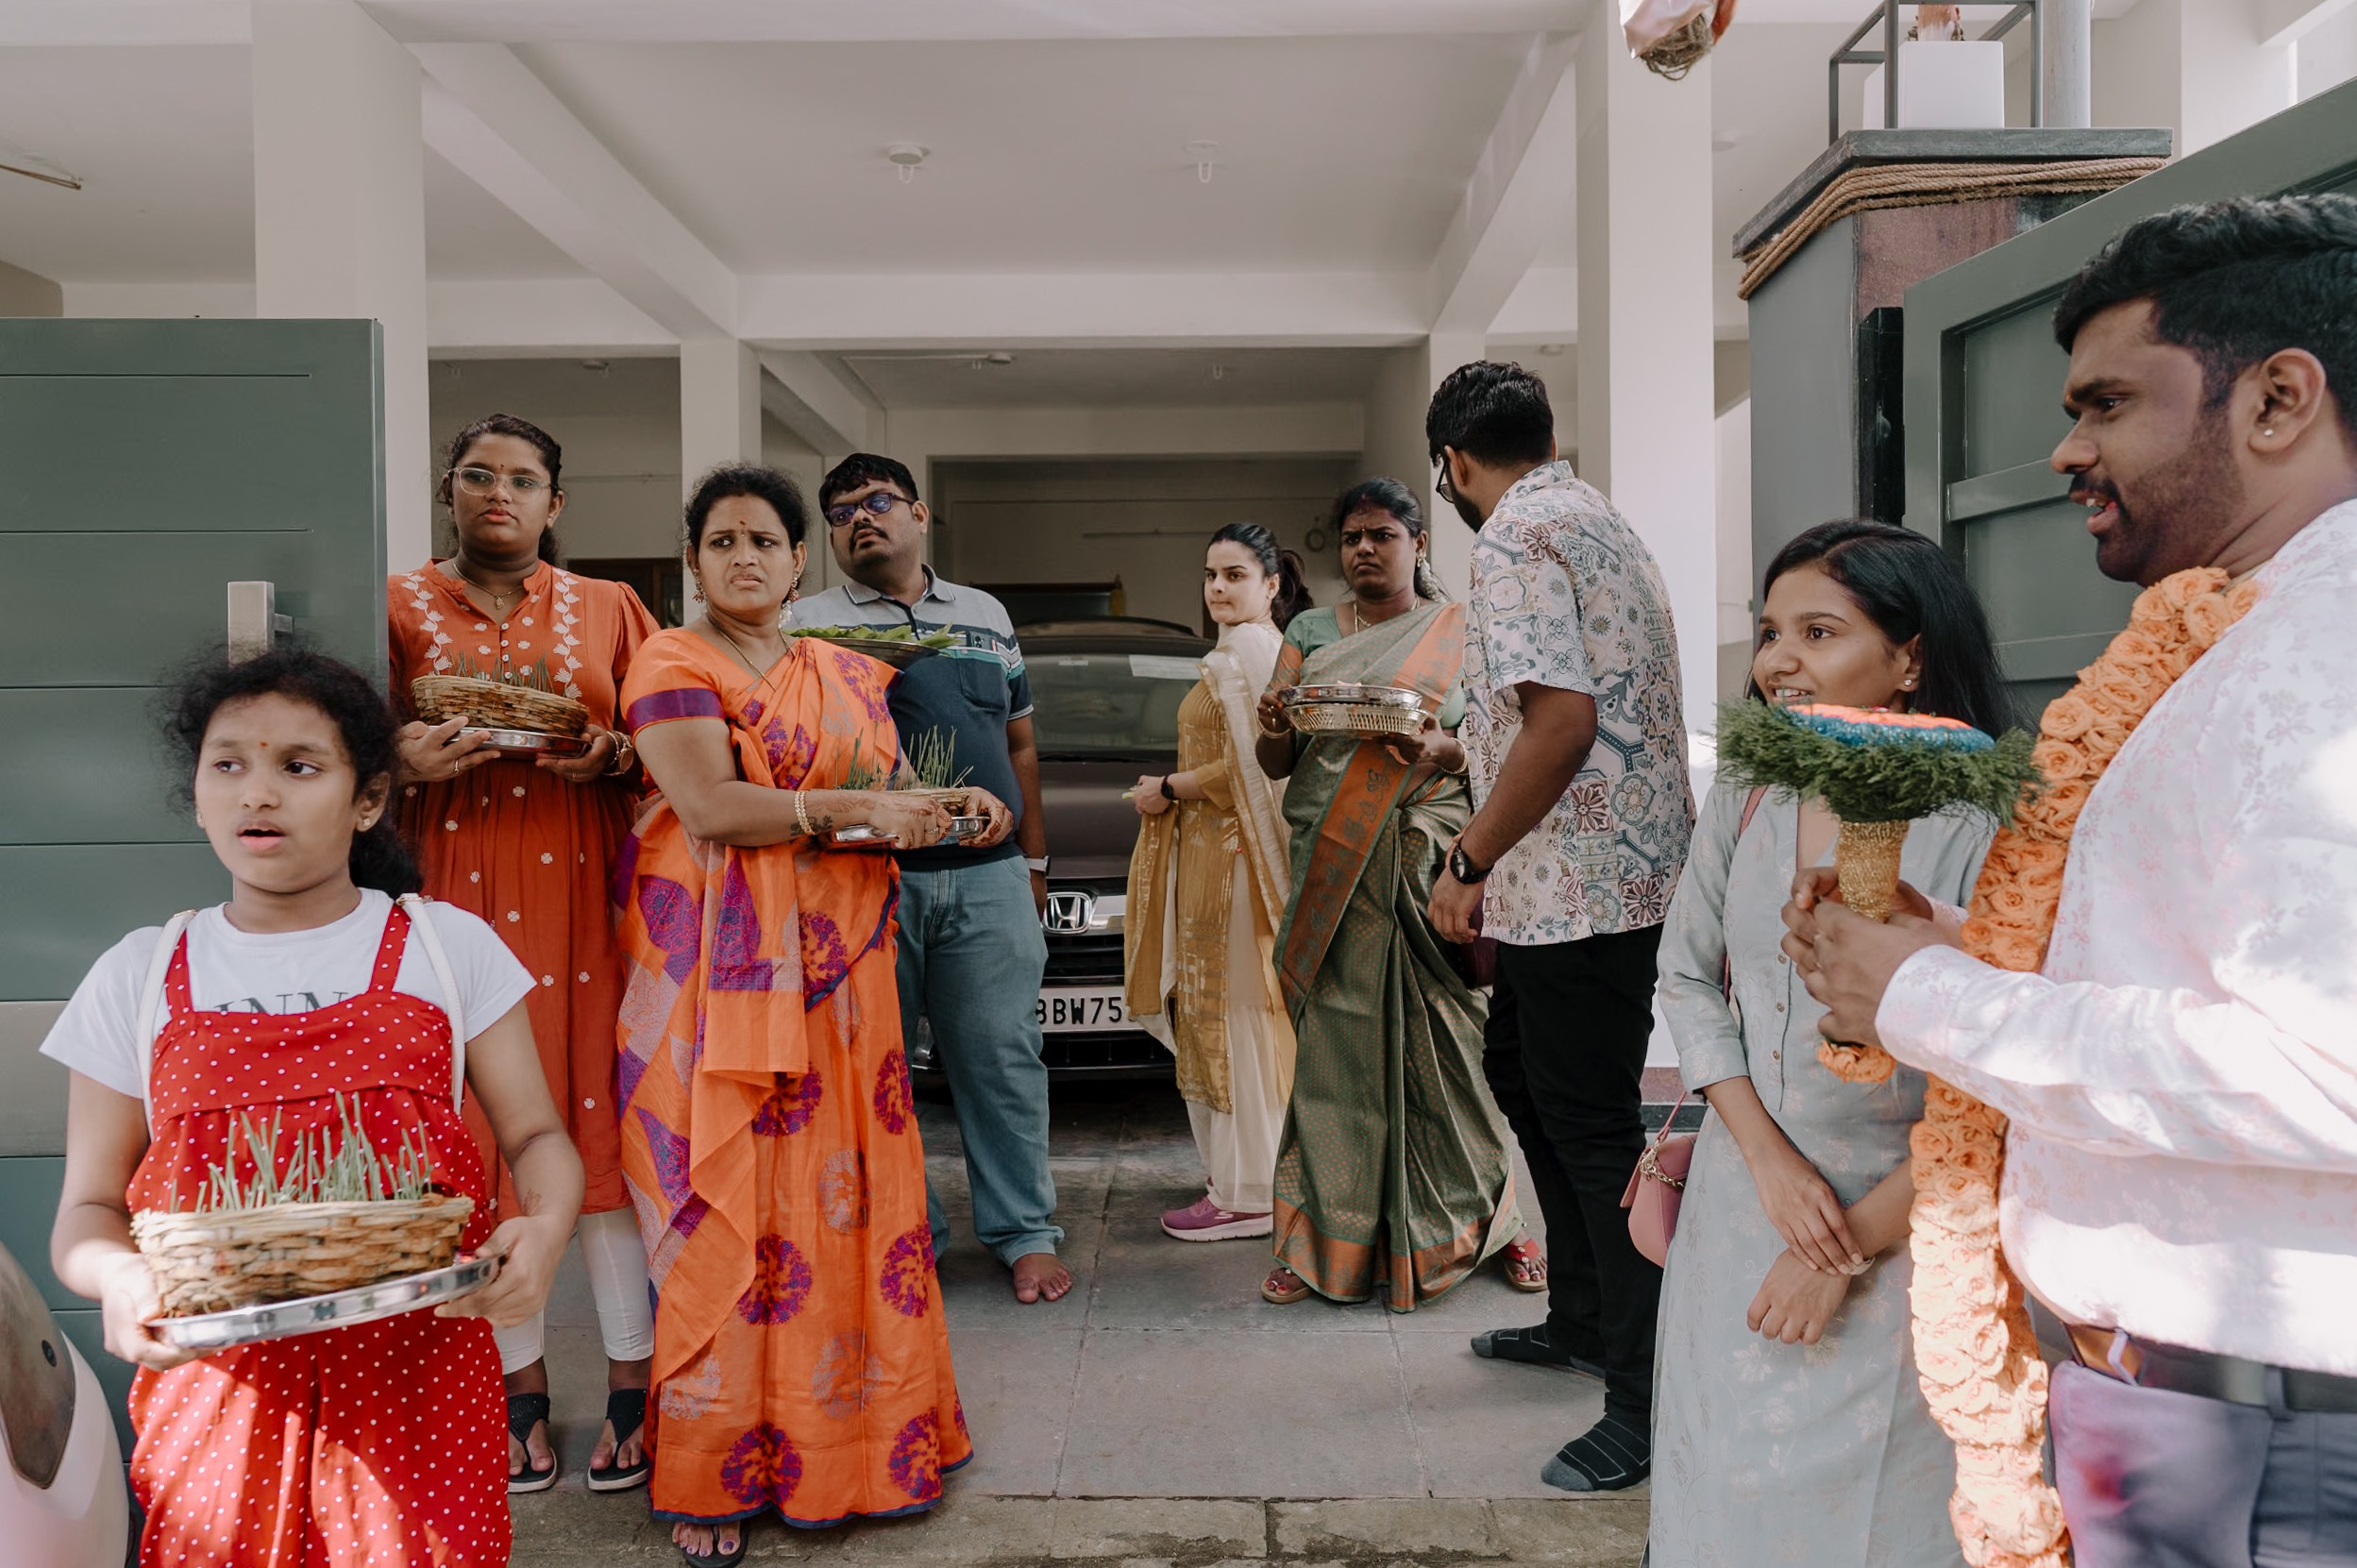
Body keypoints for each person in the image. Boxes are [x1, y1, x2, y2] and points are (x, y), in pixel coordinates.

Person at [1788, 195, 2357, 1565]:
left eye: (2106, 404)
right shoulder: (2249, 634)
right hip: (2189, 1405)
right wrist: (1965, 961)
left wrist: (1935, 1000)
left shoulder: (2323, 665)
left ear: (2278, 399)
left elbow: (2330, 1071)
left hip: (2260, 1437)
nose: (2065, 448)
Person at [43, 647, 581, 1568]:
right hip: (218, 1393)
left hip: (419, 1380)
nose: (259, 791)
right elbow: (88, 1209)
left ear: (367, 798)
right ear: (199, 789)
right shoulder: (137, 973)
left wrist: (545, 1227)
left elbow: (537, 1136)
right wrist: (120, 1278)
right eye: (229, 763)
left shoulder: (445, 947)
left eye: (298, 765)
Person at [618, 464, 1004, 1563]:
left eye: (767, 540)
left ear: (799, 561)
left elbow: (872, 812)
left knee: (853, 1201)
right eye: (723, 539)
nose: (745, 556)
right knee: (727, 1192)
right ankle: (714, 1466)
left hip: (845, 980)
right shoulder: (671, 658)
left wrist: (948, 810)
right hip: (721, 976)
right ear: (693, 559)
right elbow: (710, 806)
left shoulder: (840, 669)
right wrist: (856, 807)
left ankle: (873, 1435)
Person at [1649, 521, 2012, 1567]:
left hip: (1905, 1230)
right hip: (1739, 1211)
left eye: (1818, 629)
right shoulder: (1750, 791)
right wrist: (1762, 1159)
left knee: (1880, 1520)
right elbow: (1683, 974)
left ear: (1910, 657)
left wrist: (1843, 1247)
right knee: (1719, 1491)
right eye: (1769, 632)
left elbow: (1989, 1086)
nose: (1778, 661)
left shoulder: (1983, 824)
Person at [1423, 360, 1693, 1493]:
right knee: (1523, 1077)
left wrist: (1464, 855)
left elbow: (1564, 720)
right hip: (1603, 871)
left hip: (1571, 887)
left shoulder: (1513, 540)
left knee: (1590, 1133)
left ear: (1453, 464)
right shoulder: (1594, 516)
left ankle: (1643, 1401)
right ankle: (1581, 1317)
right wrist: (1470, 753)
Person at [389, 412, 660, 1494]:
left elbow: (670, 740)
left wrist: (610, 753)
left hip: (583, 897)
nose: (499, 492)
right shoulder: (398, 605)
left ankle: (636, 1380)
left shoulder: (610, 607)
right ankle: (518, 1389)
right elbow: (348, 747)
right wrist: (401, 754)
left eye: (524, 478)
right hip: (446, 898)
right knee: (477, 1136)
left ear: (557, 502)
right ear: (448, 490)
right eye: (477, 475)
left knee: (598, 1120)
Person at [790, 454, 1068, 1306]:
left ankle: (1024, 1232)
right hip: (866, 880)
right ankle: (911, 1234)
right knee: (877, 1073)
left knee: (1002, 1060)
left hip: (987, 878)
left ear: (917, 513)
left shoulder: (985, 615)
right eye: (839, 513)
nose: (858, 520)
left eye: (875, 503)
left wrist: (1032, 860)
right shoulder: (803, 624)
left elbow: (1019, 745)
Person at [1252, 478, 1524, 1311]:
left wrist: (1448, 753)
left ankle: (1495, 1226)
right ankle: (1321, 1246)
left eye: (1382, 534)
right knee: (1335, 1060)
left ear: (1418, 542)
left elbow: (1499, 742)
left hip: (1430, 869)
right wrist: (1271, 724)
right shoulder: (1302, 631)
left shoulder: (1462, 629)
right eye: (1351, 538)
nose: (1364, 549)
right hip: (1334, 873)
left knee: (1458, 1057)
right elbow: (1279, 760)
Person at [1123, 524, 1305, 1241]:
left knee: (1237, 1016)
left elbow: (1255, 768)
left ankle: (1251, 1189)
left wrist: (1171, 783)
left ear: (1270, 586)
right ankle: (1238, 1175)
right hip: (1208, 858)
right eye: (1210, 575)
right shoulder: (1235, 652)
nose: (1218, 588)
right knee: (1218, 1013)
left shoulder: (1251, 654)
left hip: (1233, 865)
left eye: (1234, 574)